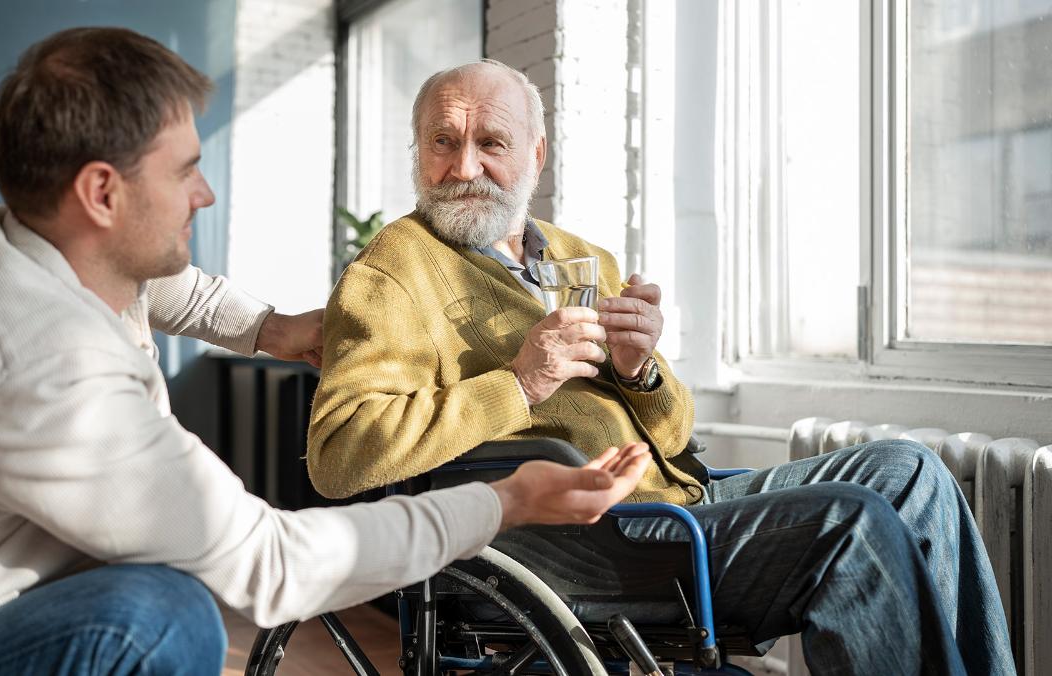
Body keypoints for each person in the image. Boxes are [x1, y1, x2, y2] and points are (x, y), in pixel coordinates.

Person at [0, 29, 655, 676]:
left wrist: (278, 331)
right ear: (102, 194)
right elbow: (273, 564)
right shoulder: (45, 368)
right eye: (187, 170)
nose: (205, 193)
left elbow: (178, 291)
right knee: (161, 617)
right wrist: (506, 502)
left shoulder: (31, 249)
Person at [306, 59, 1016, 675]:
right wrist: (520, 383)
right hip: (583, 545)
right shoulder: (393, 269)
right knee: (852, 521)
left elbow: (675, 440)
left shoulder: (576, 254)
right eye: (442, 142)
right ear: (417, 151)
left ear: (536, 155)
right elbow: (338, 457)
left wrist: (638, 368)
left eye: (490, 143)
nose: (463, 168)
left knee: (910, 468)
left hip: (674, 504)